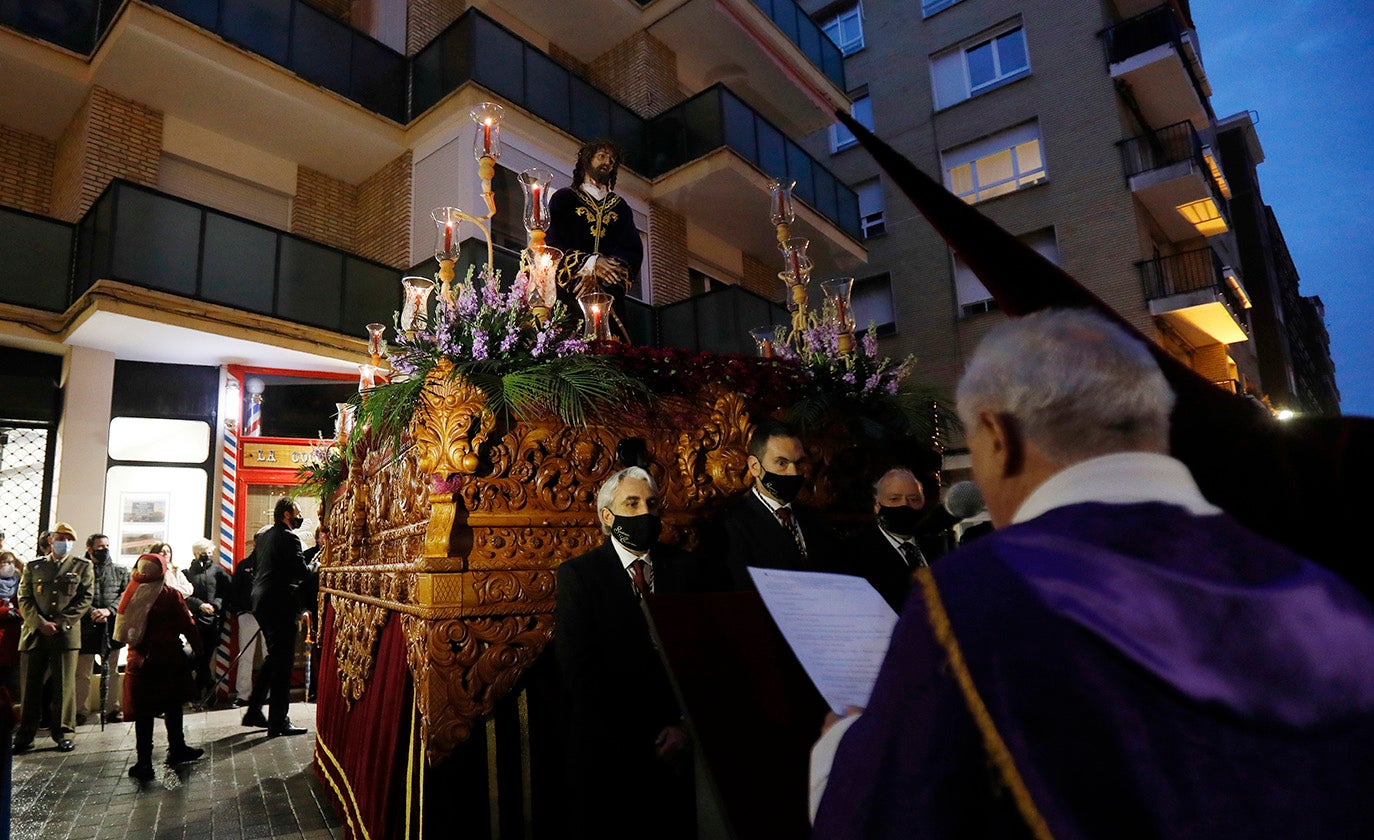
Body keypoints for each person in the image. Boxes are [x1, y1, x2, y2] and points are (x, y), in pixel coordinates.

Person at [809, 309, 1374, 838]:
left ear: (998, 437)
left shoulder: (980, 596)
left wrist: (837, 753)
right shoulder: (1325, 592)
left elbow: (883, 817)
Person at [554, 467, 703, 839]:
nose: (644, 514)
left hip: (680, 756)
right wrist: (640, 745)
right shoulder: (579, 575)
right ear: (608, 515)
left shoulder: (687, 570)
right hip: (608, 759)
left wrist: (684, 727)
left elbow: (703, 658)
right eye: (631, 503)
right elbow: (579, 671)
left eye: (651, 504)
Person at [712, 420, 841, 590]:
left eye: (798, 463)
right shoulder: (731, 525)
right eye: (782, 463)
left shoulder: (815, 521)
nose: (793, 472)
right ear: (755, 466)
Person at [114, 553, 204, 781]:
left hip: (139, 661)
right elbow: (188, 624)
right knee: (173, 706)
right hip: (168, 659)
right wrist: (199, 651)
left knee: (144, 713)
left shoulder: (131, 592)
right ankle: (177, 748)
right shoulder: (168, 595)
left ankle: (144, 761)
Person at [545, 139, 643, 339]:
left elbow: (632, 250)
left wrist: (604, 271)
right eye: (602, 156)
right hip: (572, 294)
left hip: (608, 298)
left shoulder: (620, 207)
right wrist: (590, 264)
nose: (608, 162)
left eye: (612, 160)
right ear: (586, 160)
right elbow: (552, 242)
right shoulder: (564, 199)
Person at [13, 522, 93, 753]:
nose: (65, 542)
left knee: (64, 687)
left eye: (70, 539)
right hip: (34, 634)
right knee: (30, 687)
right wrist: (39, 623)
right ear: (51, 540)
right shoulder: (34, 566)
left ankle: (64, 733)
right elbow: (24, 598)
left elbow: (85, 598)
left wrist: (59, 623)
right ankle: (26, 734)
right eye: (61, 537)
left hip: (65, 635)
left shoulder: (82, 566)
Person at [242, 499, 308, 737]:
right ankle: (278, 721)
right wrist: (316, 566)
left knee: (274, 658)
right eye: (298, 513)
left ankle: (254, 710)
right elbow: (300, 571)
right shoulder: (289, 538)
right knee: (283, 663)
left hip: (261, 601)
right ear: (287, 514)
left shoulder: (265, 538)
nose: (300, 518)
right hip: (279, 603)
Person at [848, 467, 949, 611]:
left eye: (913, 499)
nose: (904, 505)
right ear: (877, 506)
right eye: (894, 499)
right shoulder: (856, 553)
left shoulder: (937, 544)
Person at [76, 532, 129, 725]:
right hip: (86, 626)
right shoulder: (79, 571)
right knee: (82, 672)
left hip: (111, 624)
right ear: (89, 549)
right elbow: (76, 596)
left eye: (107, 546)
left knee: (112, 670)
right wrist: (91, 611)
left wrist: (109, 610)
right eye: (100, 547)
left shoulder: (120, 570)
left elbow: (125, 594)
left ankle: (112, 709)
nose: (104, 550)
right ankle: (80, 710)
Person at [185, 537, 230, 703]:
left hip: (213, 620)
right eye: (205, 553)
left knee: (206, 655)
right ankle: (208, 688)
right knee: (199, 657)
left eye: (210, 553)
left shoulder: (217, 571)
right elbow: (185, 595)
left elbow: (225, 591)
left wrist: (216, 605)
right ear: (196, 554)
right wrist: (199, 605)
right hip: (196, 620)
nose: (208, 556)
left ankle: (198, 693)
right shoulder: (187, 573)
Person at [0, 550, 22, 695]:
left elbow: (25, 604)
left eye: (11, 562)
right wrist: (5, 612)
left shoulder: (19, 583)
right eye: (4, 562)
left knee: (11, 677)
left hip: (13, 635)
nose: (8, 565)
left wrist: (17, 614)